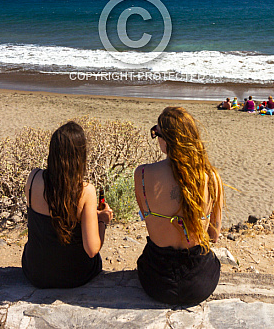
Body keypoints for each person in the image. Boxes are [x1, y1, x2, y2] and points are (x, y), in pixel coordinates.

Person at [134, 107, 223, 306]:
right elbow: (214, 236)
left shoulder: (141, 175)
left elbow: (147, 218)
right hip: (200, 282)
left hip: (156, 280)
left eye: (156, 133)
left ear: (166, 139)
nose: (156, 138)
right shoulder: (211, 177)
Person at [22, 121, 113, 288]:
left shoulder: (33, 178)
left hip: (34, 272)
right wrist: (102, 220)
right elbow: (92, 250)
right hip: (74, 276)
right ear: (80, 157)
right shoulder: (85, 191)